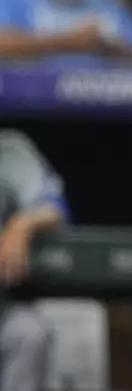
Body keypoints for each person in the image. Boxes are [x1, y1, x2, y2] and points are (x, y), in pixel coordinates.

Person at [0, 129, 69, 391]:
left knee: (28, 333)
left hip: (2, 312)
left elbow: (54, 208)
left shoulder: (9, 151)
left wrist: (22, 223)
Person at [0, 0, 132, 64]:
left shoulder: (109, 6)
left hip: (106, 109)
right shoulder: (18, 2)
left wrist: (112, 48)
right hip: (28, 107)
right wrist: (69, 43)